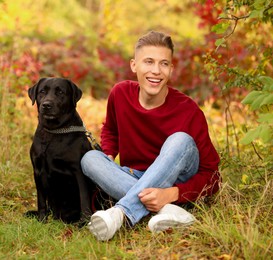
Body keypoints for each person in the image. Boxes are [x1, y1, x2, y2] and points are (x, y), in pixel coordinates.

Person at [81, 31, 220, 241]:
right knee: (90, 159)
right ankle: (169, 211)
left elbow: (213, 176)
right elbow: (111, 129)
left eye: (164, 64)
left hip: (177, 180)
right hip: (133, 175)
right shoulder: (120, 94)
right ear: (134, 65)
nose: (156, 71)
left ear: (171, 69)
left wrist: (172, 193)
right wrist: (108, 155)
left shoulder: (188, 110)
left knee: (180, 139)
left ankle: (120, 213)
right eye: (148, 62)